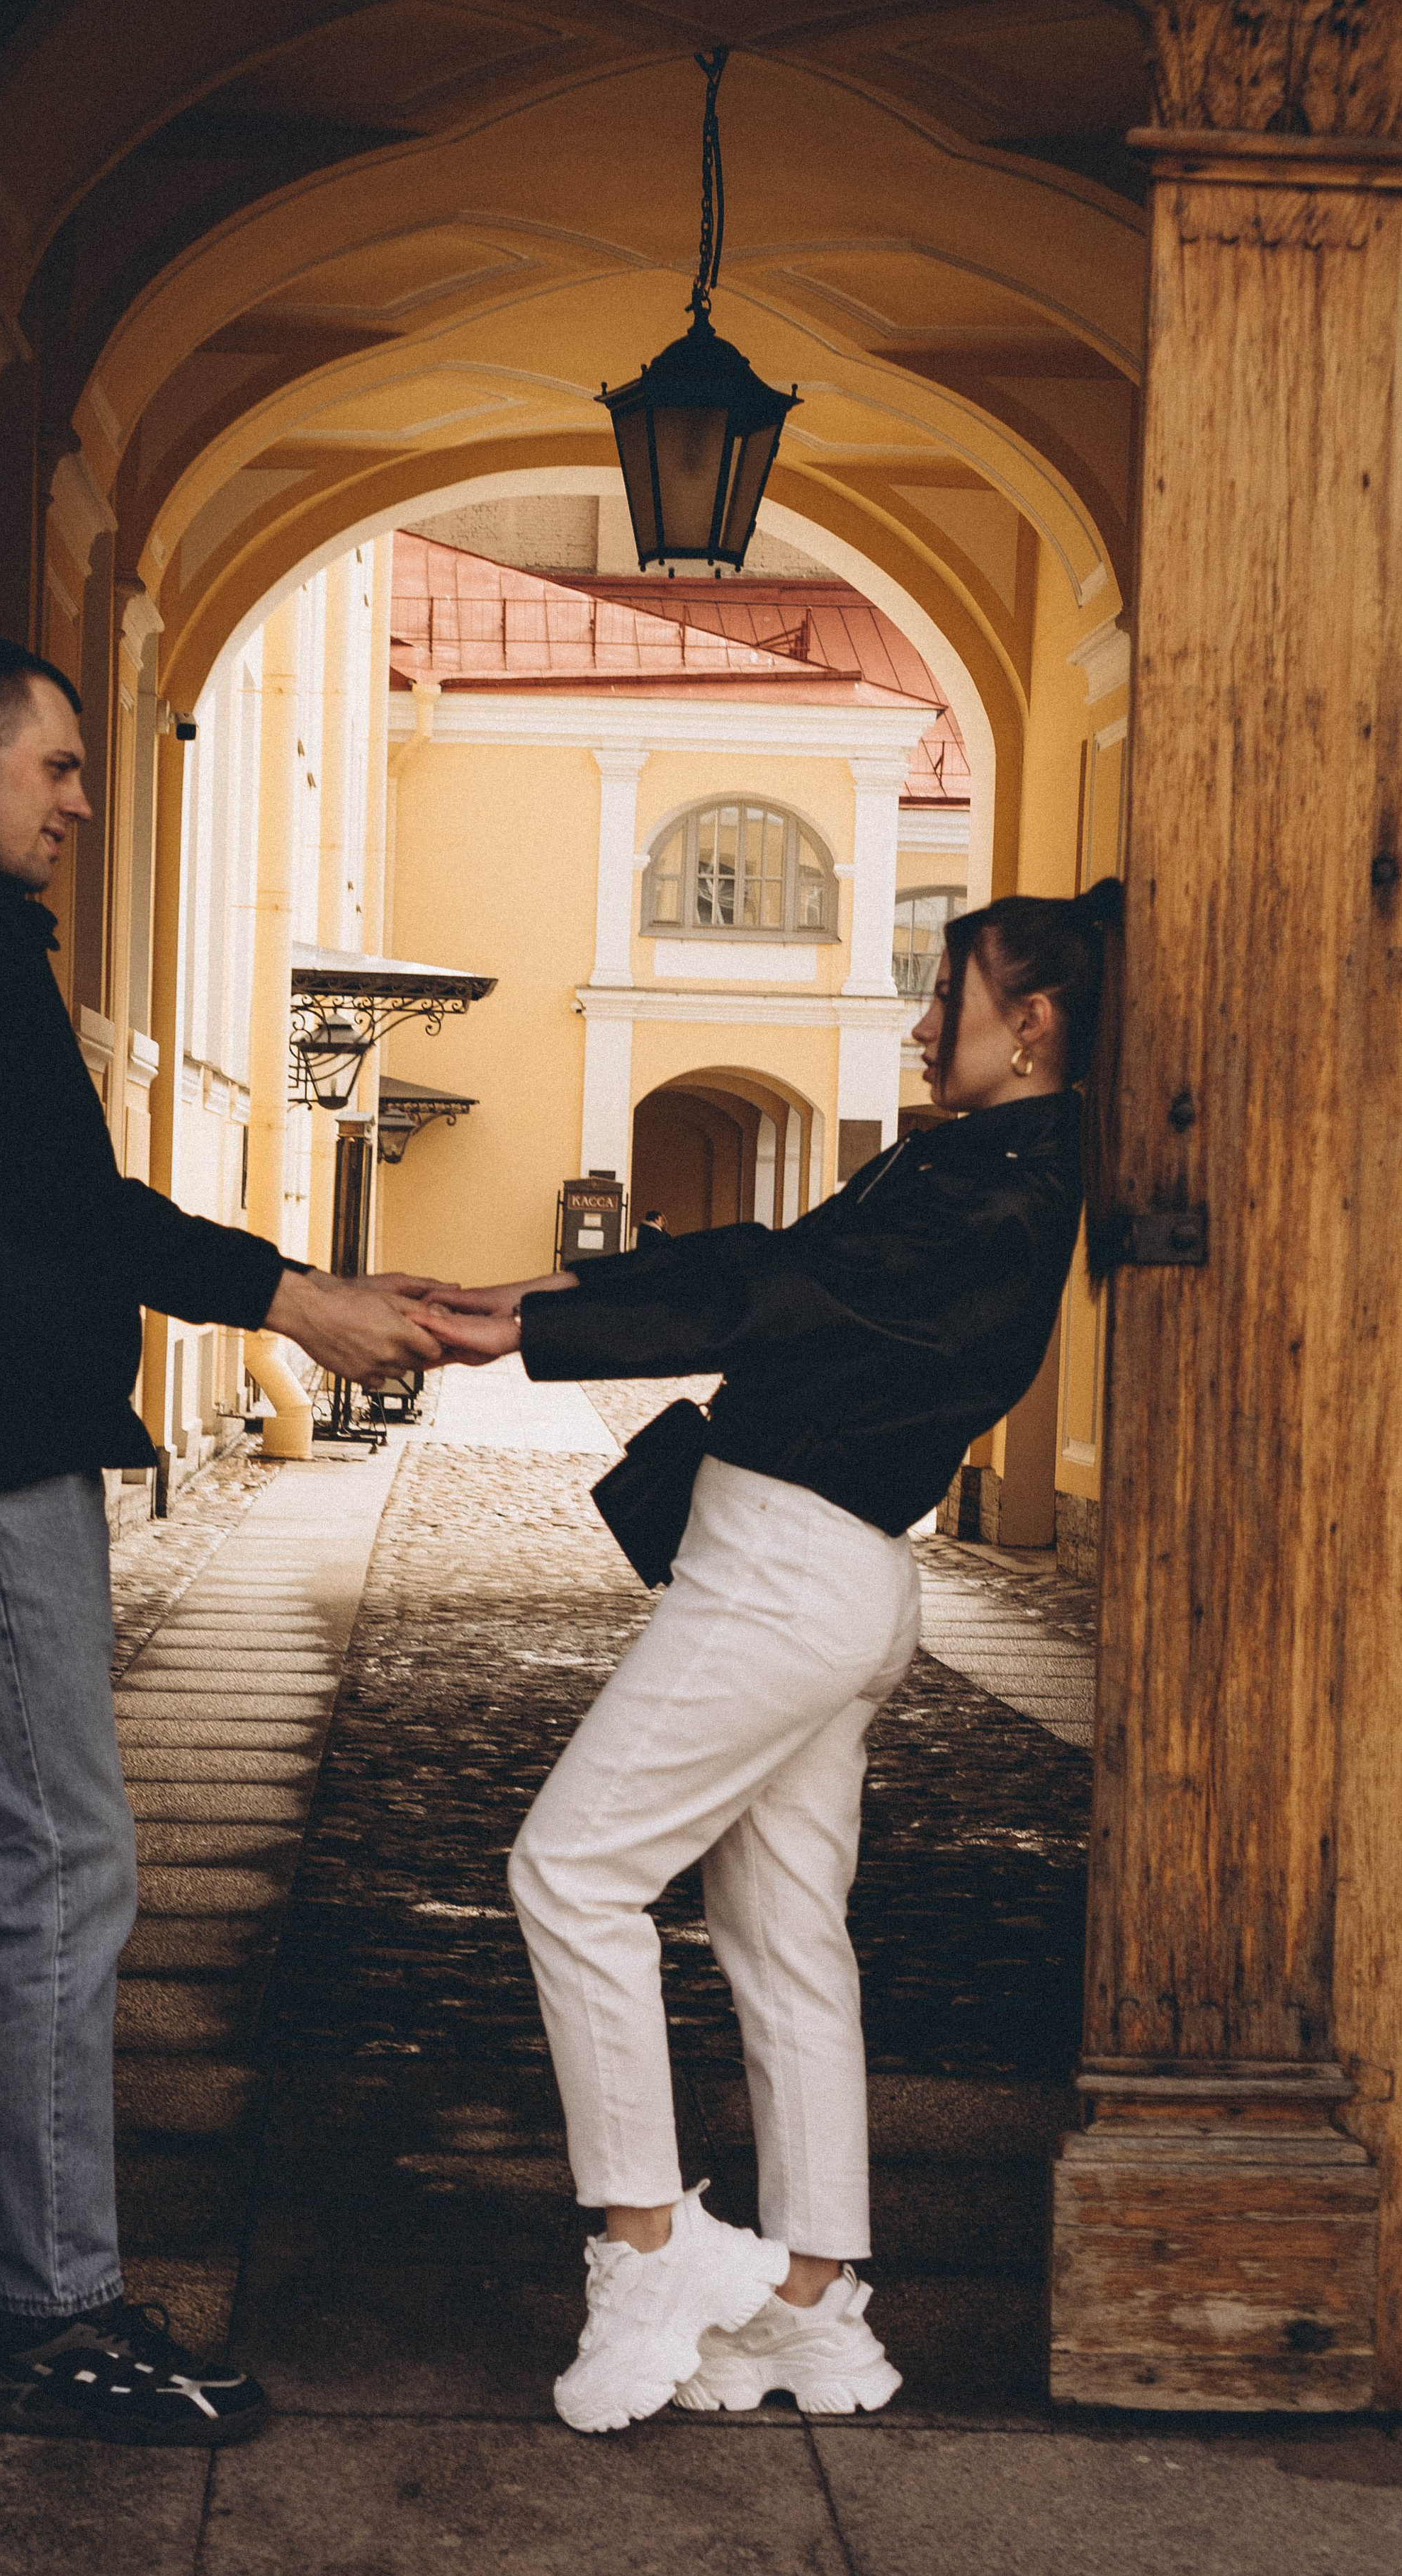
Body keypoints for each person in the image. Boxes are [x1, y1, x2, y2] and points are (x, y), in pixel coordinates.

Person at [0, 635, 442, 2446]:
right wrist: (287, 1294)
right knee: (62, 1864)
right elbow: (57, 1200)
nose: (76, 802)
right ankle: (61, 2309)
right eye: (56, 767)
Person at [417, 883, 1124, 2432]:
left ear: (1036, 1023)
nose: (924, 1024)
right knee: (783, 1936)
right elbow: (755, 1251)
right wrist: (524, 1295)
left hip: (786, 1580)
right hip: (814, 1573)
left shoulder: (994, 1198)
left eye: (949, 995)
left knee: (570, 1873)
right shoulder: (969, 1171)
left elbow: (766, 1295)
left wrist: (518, 1340)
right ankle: (811, 2304)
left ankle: (648, 2244)